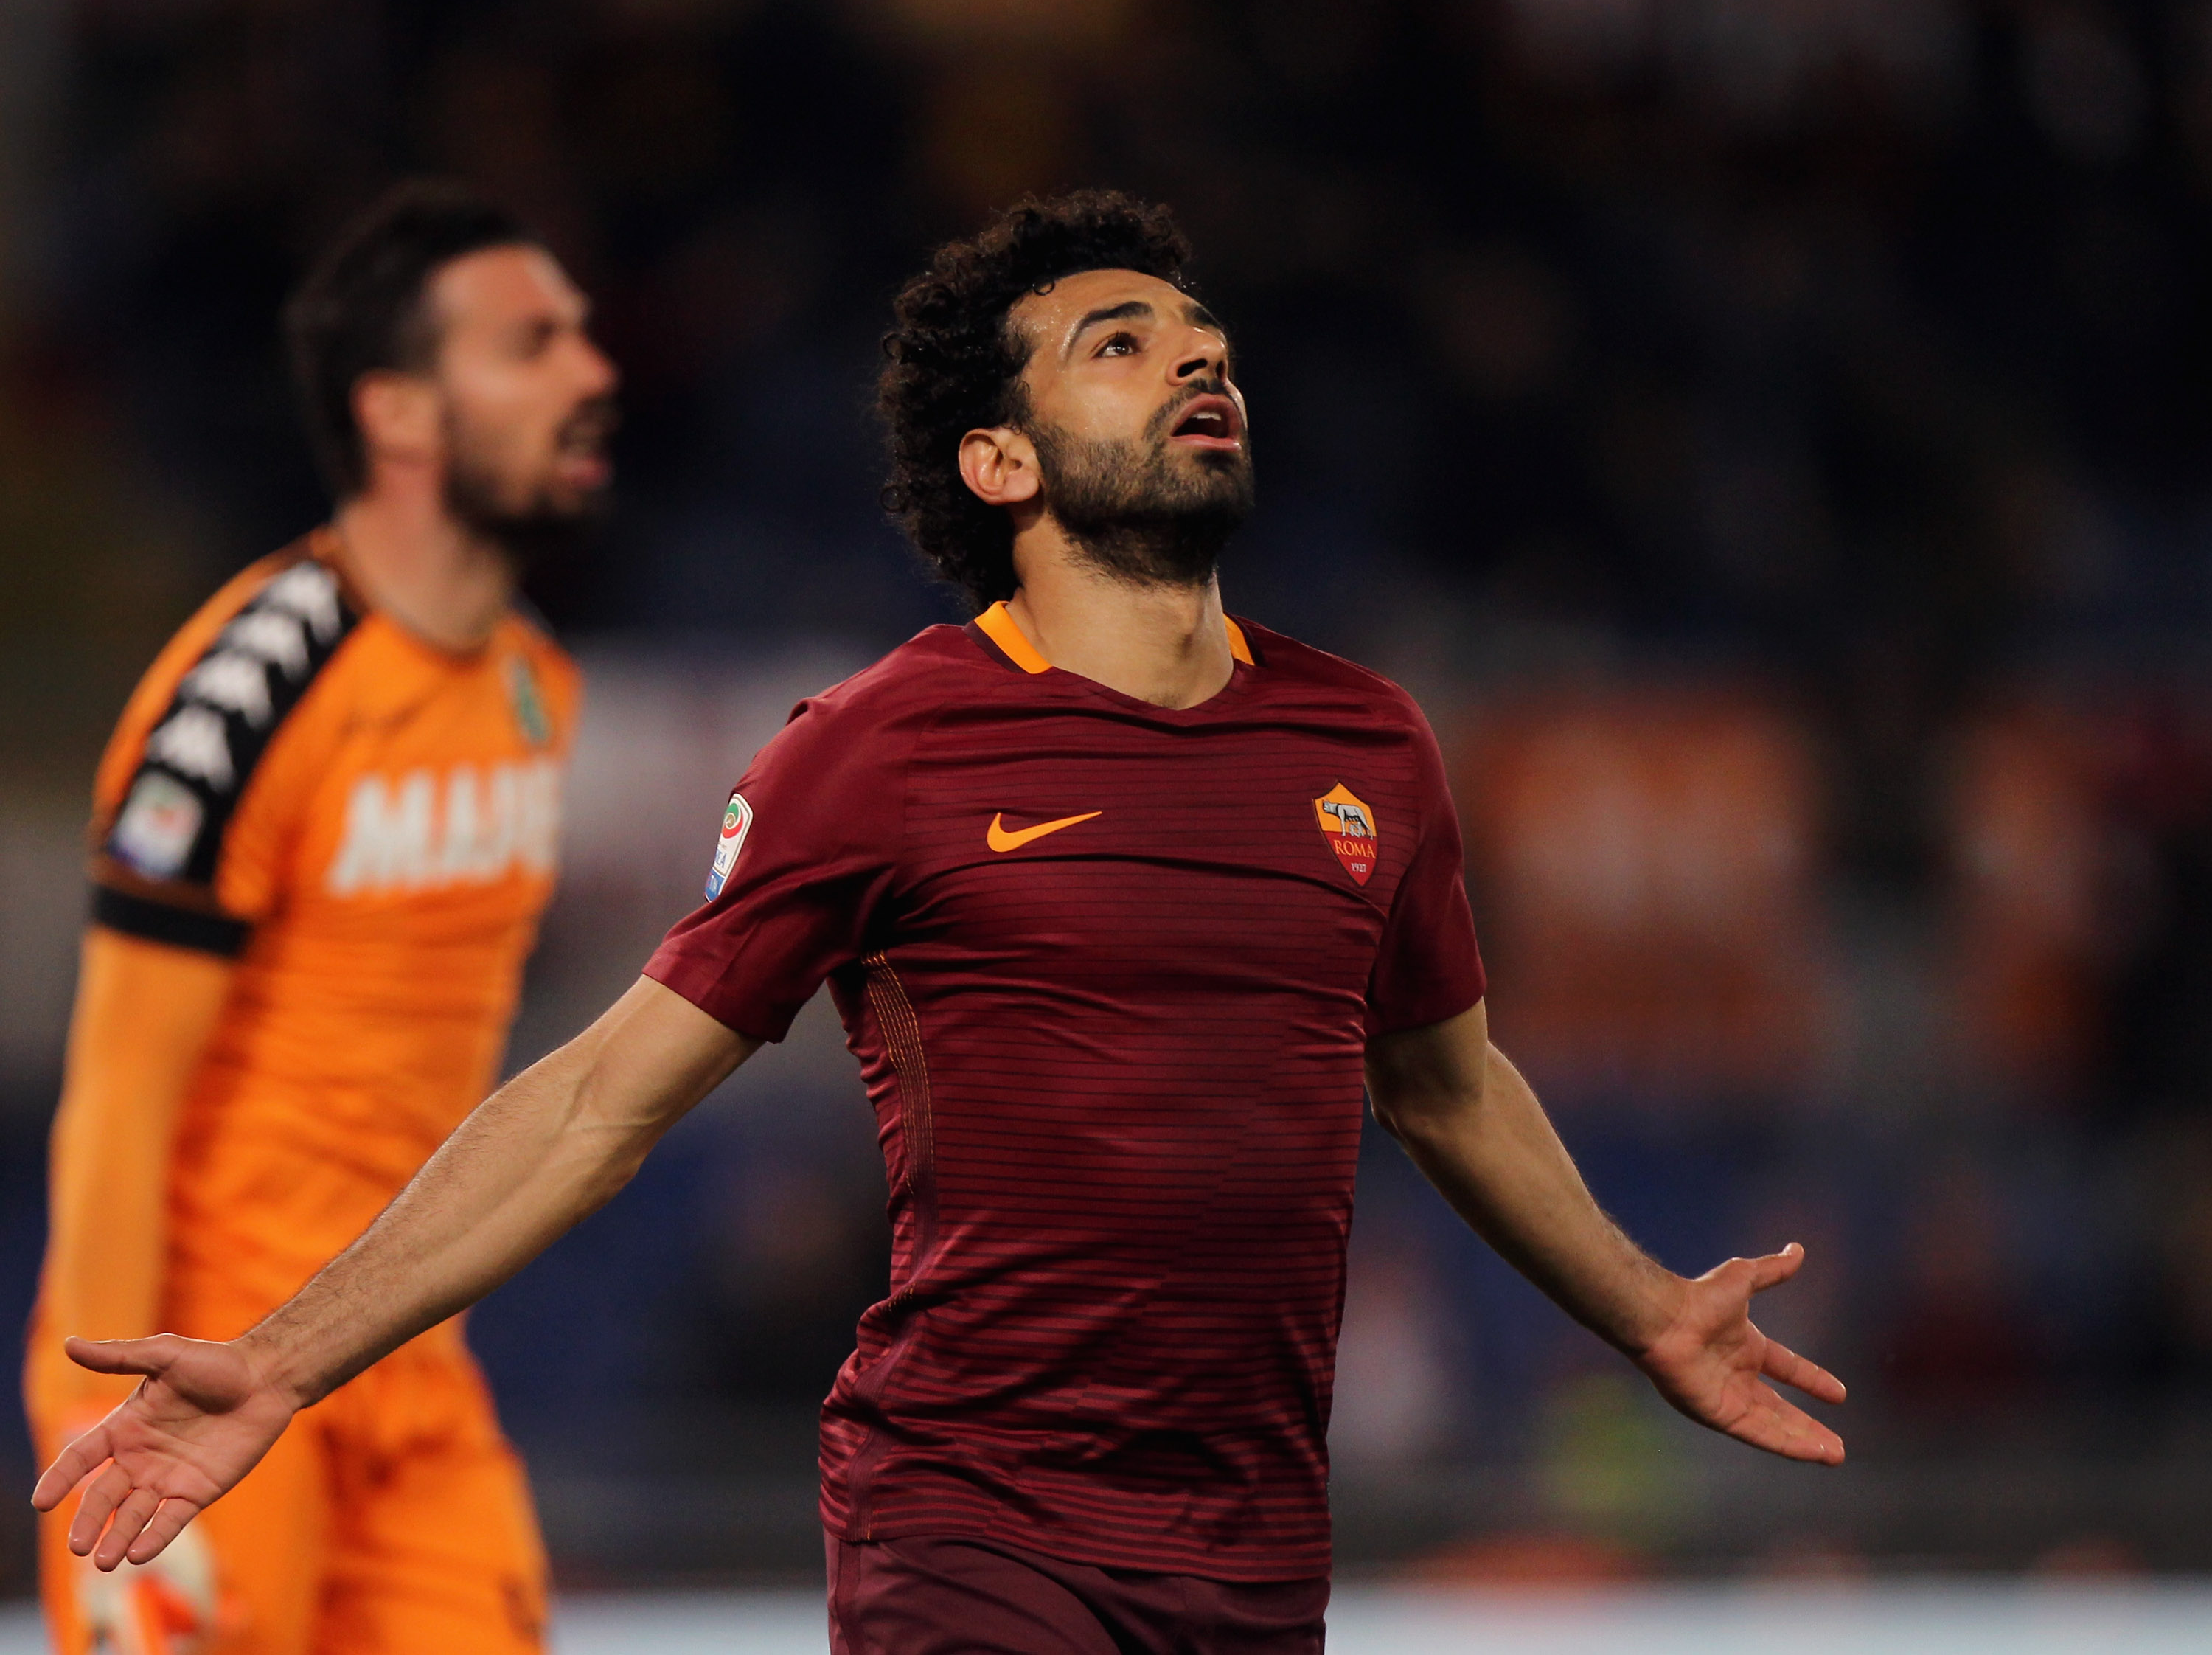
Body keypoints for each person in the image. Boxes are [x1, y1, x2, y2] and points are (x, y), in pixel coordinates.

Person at [34, 192, 1840, 1654]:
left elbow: (1448, 1093)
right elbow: (603, 1102)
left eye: (1201, 344)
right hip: (970, 1536)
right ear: (1001, 463)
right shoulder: (885, 747)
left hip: (1262, 1553)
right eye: (1116, 347)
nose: (1194, 363)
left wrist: (1648, 1316)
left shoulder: (1370, 740)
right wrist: (279, 1358)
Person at [24, 179, 617, 1655]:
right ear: (401, 414)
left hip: (407, 1369)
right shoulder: (251, 688)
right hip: (200, 1374)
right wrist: (109, 1436)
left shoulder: (538, 687)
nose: (593, 373)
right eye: (532, 342)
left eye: (583, 337)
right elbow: (116, 1095)